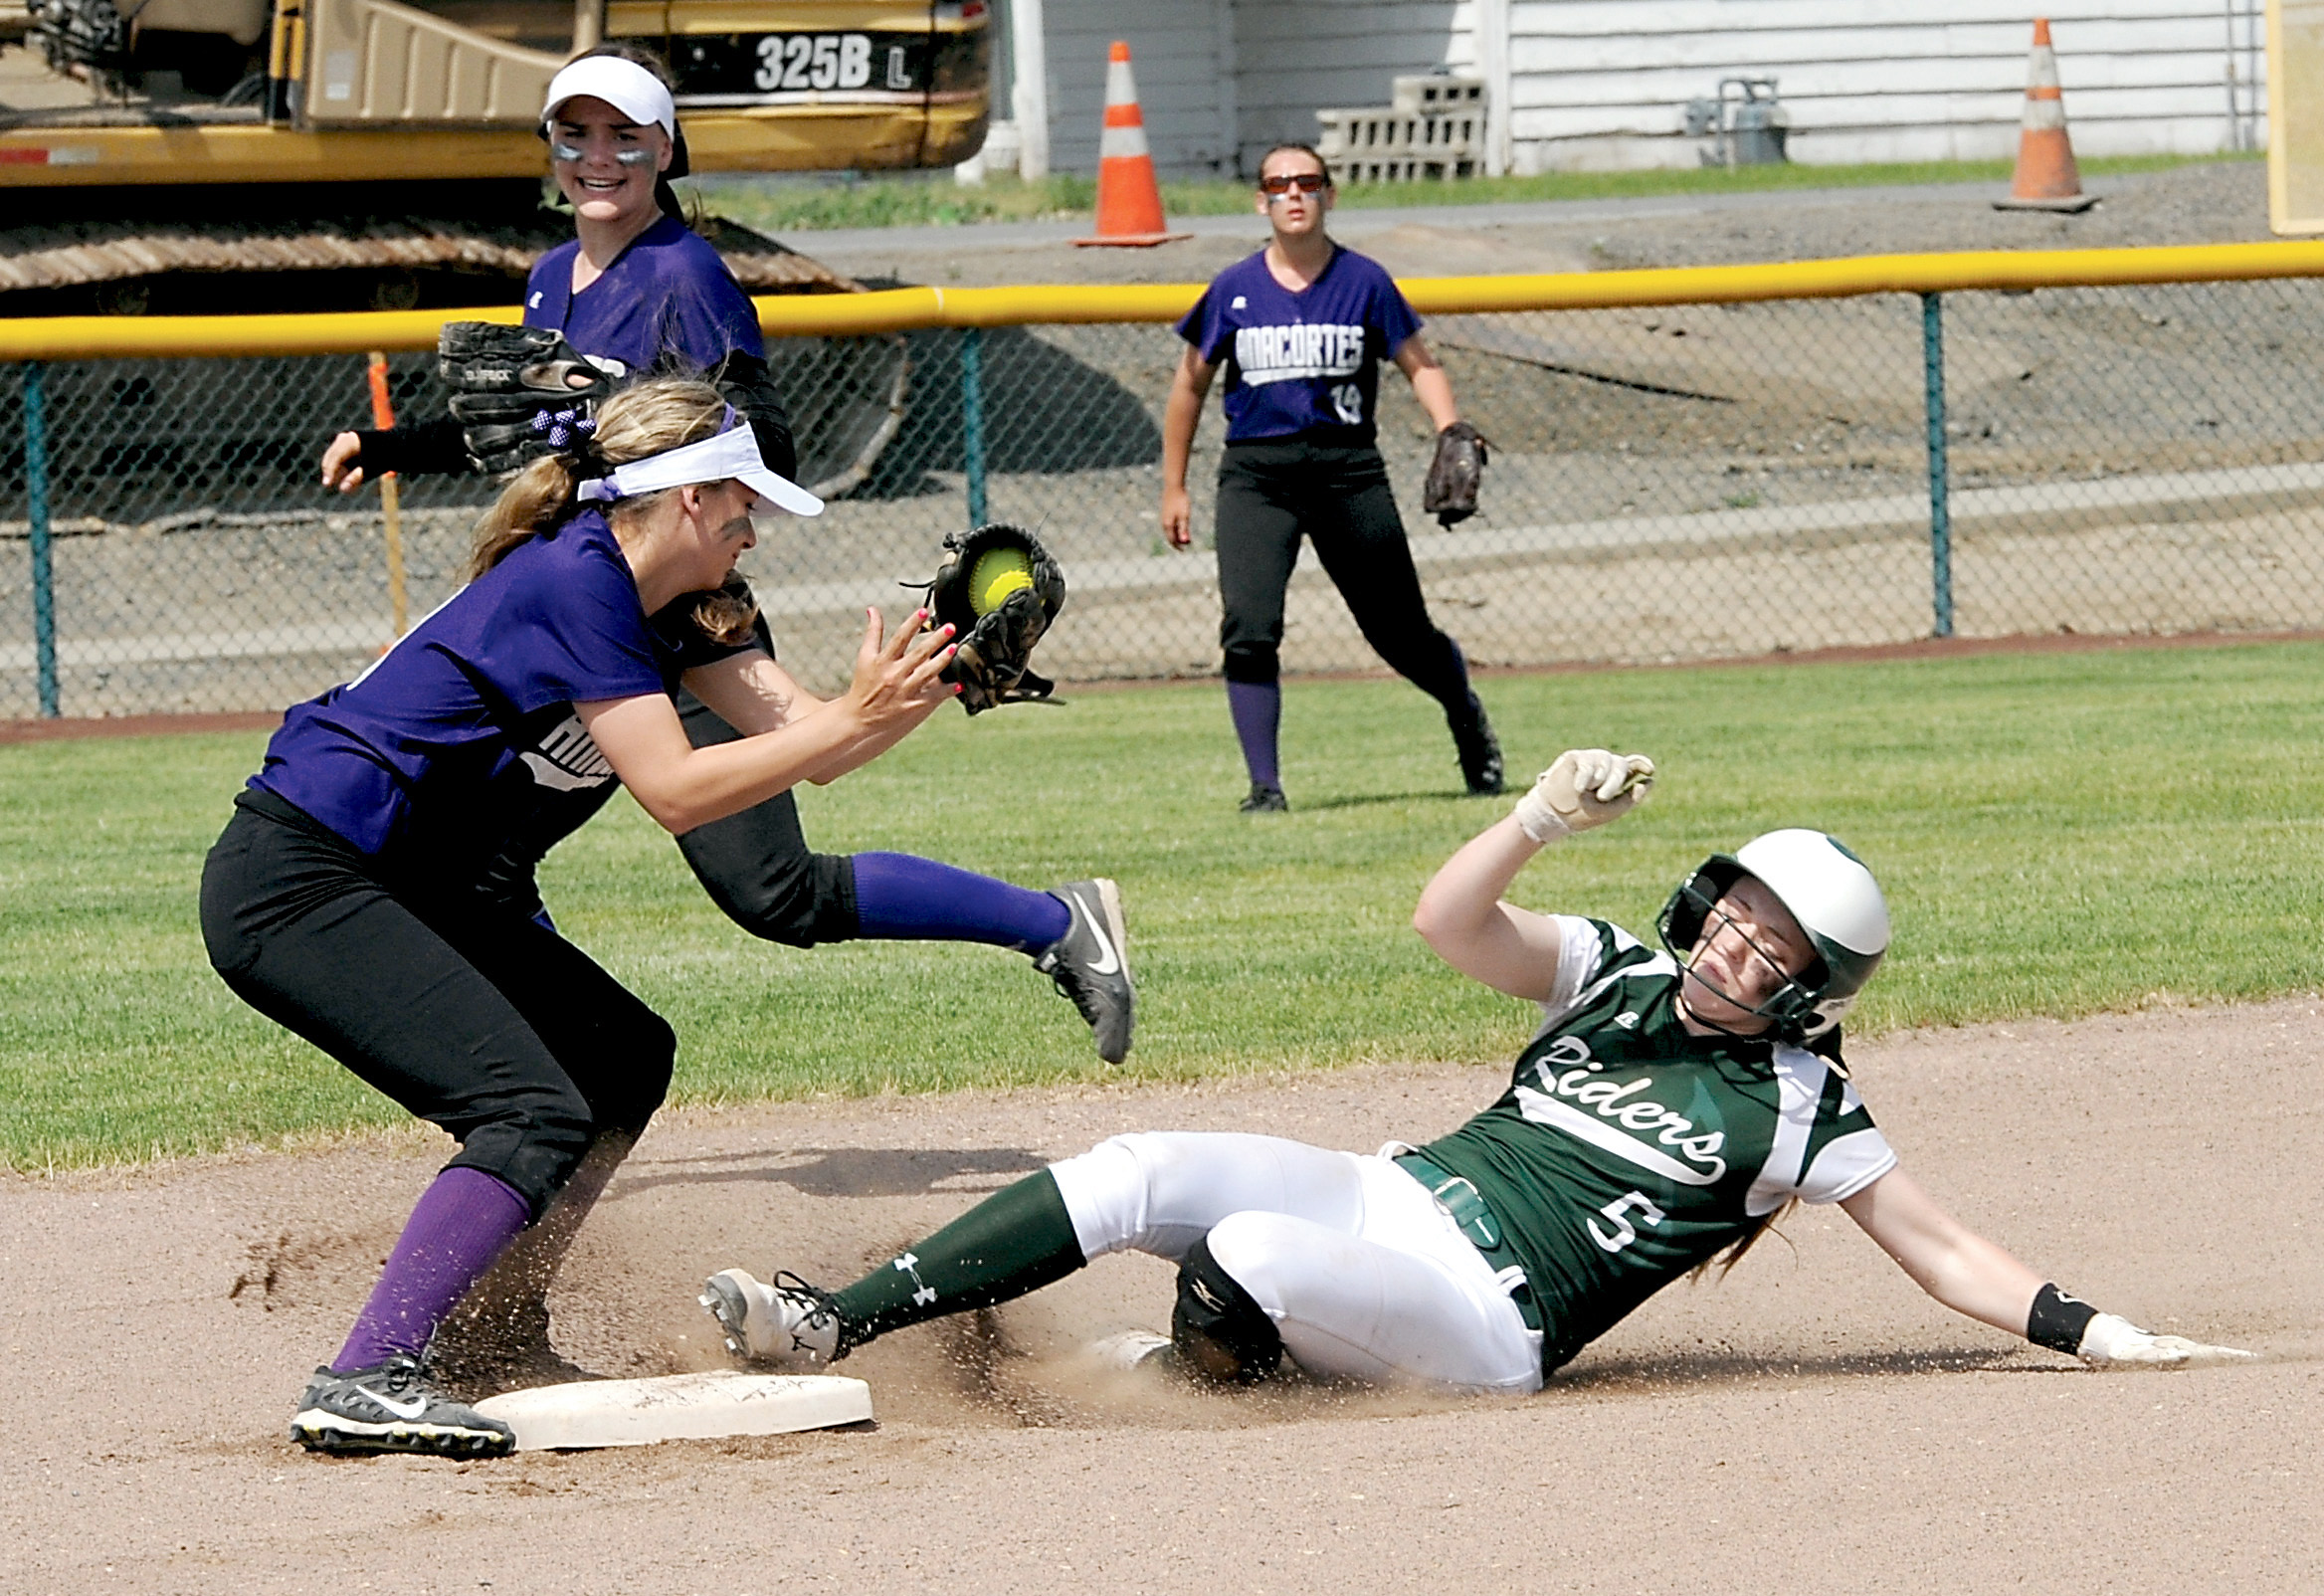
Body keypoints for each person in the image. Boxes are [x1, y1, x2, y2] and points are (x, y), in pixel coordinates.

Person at [310, 47, 1132, 1389]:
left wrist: (661, 509)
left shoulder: (684, 276)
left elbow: (752, 450)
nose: (596, 157)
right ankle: (497, 1251)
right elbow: (547, 445)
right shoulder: (553, 273)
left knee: (771, 885)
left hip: (666, 605)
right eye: (573, 133)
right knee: (602, 856)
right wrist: (399, 448)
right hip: (600, 595)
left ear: (665, 150)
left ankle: (1055, 921)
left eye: (623, 136)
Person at [696, 748, 2249, 1392]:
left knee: (1242, 1253)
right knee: (1145, 1163)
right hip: (1399, 1197)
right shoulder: (1624, 970)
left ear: (1809, 992)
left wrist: (2103, 1332)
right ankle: (840, 1319)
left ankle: (1177, 1386)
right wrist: (1542, 821)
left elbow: (1943, 1253)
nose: (1736, 952)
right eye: (1737, 917)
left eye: (1777, 951)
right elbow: (1452, 922)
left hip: (1493, 1320)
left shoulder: (1798, 1108)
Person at [205, 377, 969, 1456]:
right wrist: (848, 716)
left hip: (413, 884)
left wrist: (934, 674)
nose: (755, 527)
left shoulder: (677, 608)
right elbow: (678, 790)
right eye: (742, 502)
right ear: (689, 499)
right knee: (529, 1106)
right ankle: (368, 1370)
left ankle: (492, 1328)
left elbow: (809, 741)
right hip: (307, 874)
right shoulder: (577, 578)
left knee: (617, 1057)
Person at [1160, 141, 1501, 814]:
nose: (1293, 193)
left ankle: (1464, 710)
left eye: (1307, 182)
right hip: (1257, 474)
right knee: (1249, 626)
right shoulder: (1234, 288)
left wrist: (1450, 430)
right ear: (1261, 201)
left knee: (1400, 634)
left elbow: (1420, 364)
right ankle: (1265, 786)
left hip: (1349, 470)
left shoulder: (1364, 282)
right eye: (1278, 183)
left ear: (1328, 196)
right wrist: (1174, 485)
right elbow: (1187, 389)